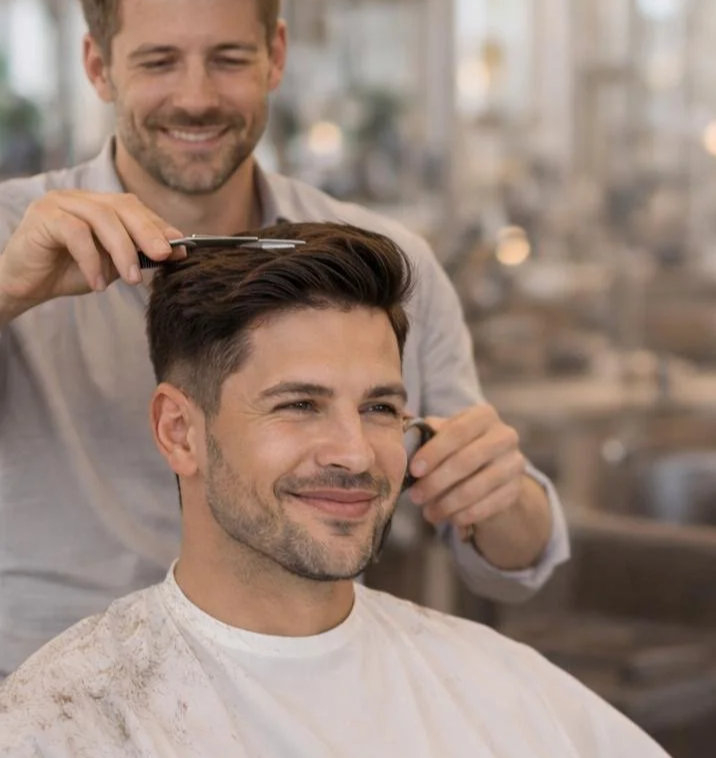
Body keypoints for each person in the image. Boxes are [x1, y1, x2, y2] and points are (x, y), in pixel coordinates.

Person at [0, 0, 568, 676]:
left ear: (275, 56)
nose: (196, 98)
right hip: (48, 695)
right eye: (159, 61)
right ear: (99, 66)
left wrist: (500, 495)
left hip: (300, 695)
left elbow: (509, 564)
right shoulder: (16, 237)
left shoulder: (380, 265)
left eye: (229, 59)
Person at [0, 224, 666, 758]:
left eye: (379, 408)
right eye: (299, 405)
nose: (354, 454)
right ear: (180, 431)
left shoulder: (501, 687)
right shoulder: (66, 721)